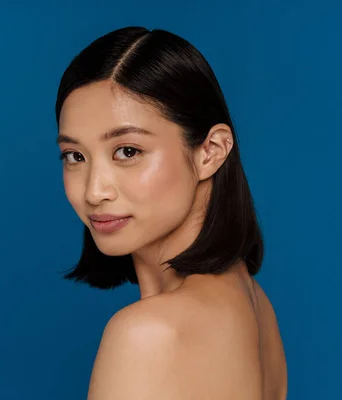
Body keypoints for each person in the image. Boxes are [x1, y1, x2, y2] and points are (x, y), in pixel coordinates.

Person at [54, 26, 287, 399]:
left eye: (128, 151)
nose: (94, 191)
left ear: (210, 151)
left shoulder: (148, 333)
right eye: (75, 156)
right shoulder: (254, 305)